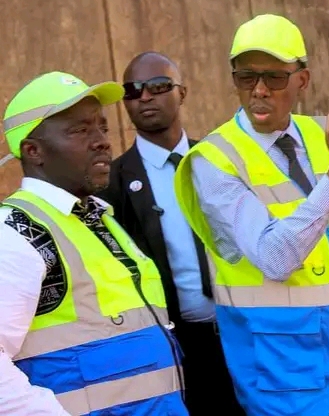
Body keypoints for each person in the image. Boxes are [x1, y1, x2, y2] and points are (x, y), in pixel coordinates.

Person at [173, 14, 329, 416]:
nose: (259, 90)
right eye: (246, 77)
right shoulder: (213, 160)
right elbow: (275, 258)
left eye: (274, 77)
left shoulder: (323, 136)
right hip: (289, 384)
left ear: (303, 80)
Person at [0, 71, 187, 415]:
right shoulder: (16, 233)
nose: (101, 141)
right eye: (80, 130)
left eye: (102, 128)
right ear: (33, 151)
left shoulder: (98, 218)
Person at [98, 52, 242, 414]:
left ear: (182, 92)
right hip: (177, 345)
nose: (145, 97)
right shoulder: (113, 185)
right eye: (133, 91)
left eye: (158, 86)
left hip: (244, 331)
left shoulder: (218, 160)